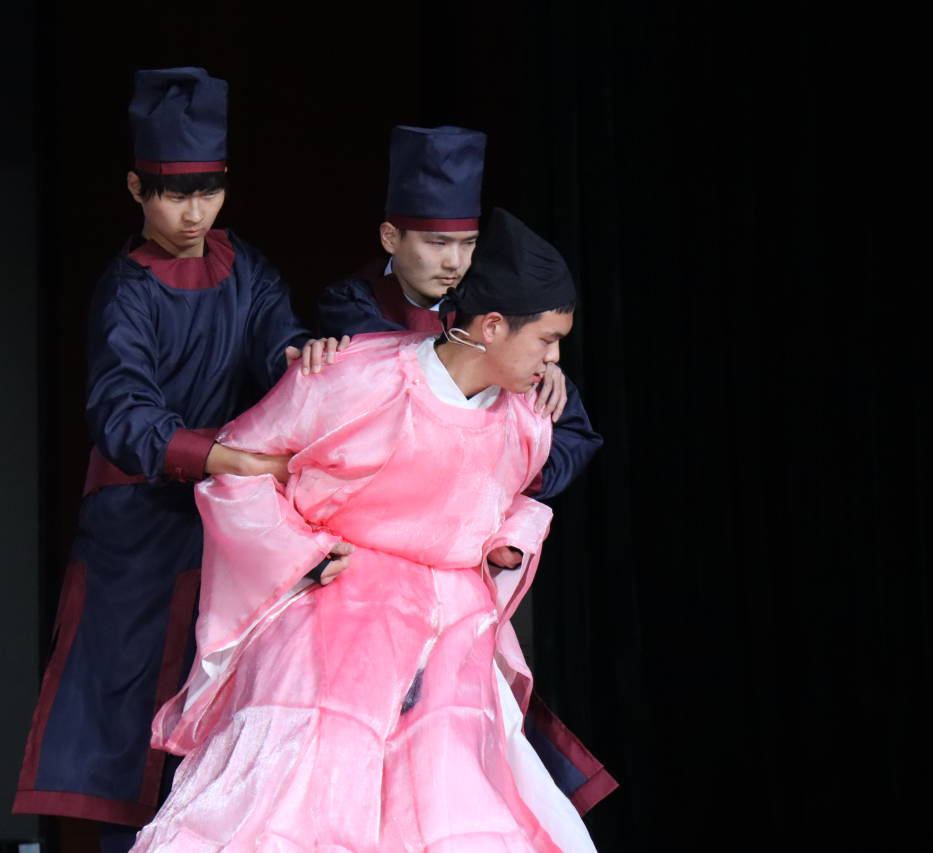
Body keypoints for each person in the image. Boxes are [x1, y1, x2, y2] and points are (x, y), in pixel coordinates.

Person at [131, 208, 607, 852]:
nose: (555, 361)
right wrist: (302, 552)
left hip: (451, 632)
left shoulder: (525, 418)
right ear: (493, 326)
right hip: (335, 618)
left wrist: (505, 543)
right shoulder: (356, 376)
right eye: (547, 340)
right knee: (300, 813)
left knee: (458, 815)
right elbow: (239, 471)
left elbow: (515, 500)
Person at [12, 67, 343, 848]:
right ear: (137, 189)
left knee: (228, 719)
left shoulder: (246, 268)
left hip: (227, 524)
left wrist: (305, 357)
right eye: (174, 194)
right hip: (139, 526)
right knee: (131, 726)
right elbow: (123, 414)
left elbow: (280, 342)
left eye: (209, 191)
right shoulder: (124, 291)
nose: (194, 213)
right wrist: (227, 457)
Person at [317, 125, 602, 500]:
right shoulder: (351, 304)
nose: (454, 262)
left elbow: (575, 434)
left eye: (468, 244)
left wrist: (533, 361)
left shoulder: (490, 306)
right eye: (437, 244)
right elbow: (405, 367)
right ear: (390, 237)